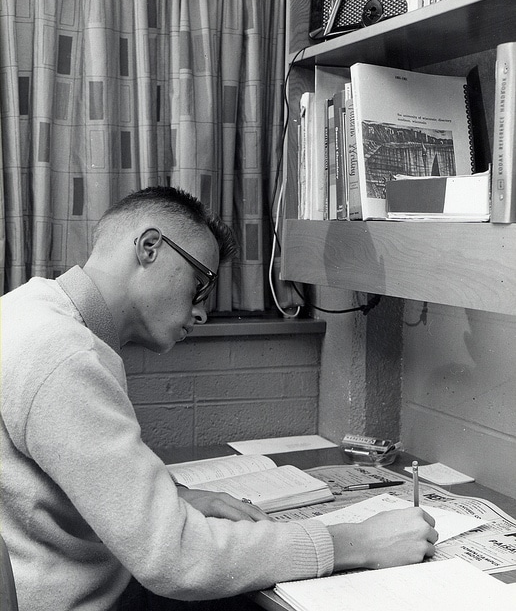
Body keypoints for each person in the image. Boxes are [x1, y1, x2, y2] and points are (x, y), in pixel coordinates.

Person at [0, 186, 438, 611]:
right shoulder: (66, 356)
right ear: (150, 247)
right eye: (199, 284)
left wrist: (176, 498)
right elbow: (175, 559)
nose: (201, 311)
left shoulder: (28, 310)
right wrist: (356, 541)